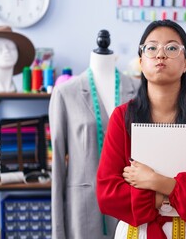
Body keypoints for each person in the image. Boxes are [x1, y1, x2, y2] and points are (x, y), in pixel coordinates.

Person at [96, 20, 186, 238]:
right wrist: (173, 195)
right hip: (134, 231)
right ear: (141, 61)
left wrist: (155, 181)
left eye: (171, 48)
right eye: (151, 48)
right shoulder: (122, 117)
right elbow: (107, 194)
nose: (160, 55)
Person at [49, 29, 140, 239]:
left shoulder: (138, 90)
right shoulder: (65, 93)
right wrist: (58, 232)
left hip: (131, 205)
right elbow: (58, 170)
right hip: (83, 210)